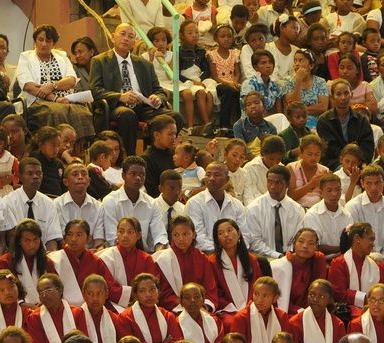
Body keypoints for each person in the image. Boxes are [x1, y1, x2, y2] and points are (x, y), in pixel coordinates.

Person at [90, 24, 184, 156]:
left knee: (175, 117)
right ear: (113, 37)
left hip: (144, 107)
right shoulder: (100, 61)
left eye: (130, 36)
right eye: (122, 34)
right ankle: (129, 158)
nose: (126, 39)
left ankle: (160, 155)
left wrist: (158, 98)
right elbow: (95, 90)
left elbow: (159, 90)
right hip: (117, 106)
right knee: (127, 114)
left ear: (134, 43)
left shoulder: (144, 64)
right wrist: (119, 96)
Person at [17, 25, 95, 139]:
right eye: (40, 40)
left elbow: (72, 80)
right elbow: (28, 86)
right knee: (57, 111)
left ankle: (80, 149)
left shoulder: (61, 56)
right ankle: (57, 148)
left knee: (82, 112)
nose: (44, 44)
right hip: (37, 101)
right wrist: (55, 98)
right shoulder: (26, 57)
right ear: (34, 41)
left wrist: (52, 86)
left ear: (54, 43)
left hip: (65, 100)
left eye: (48, 41)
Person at [186, 163, 246, 252]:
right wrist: (223, 252)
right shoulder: (194, 203)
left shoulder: (236, 204)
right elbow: (198, 238)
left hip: (234, 254)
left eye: (217, 175)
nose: (211, 178)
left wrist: (233, 251)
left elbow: (244, 234)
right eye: (208, 174)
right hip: (206, 256)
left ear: (227, 179)